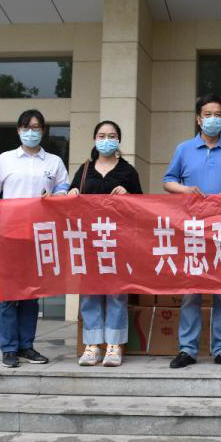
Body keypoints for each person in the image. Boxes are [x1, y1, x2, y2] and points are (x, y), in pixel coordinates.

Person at [0, 109, 69, 369]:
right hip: (8, 235)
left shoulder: (53, 162)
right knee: (8, 294)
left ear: (43, 130)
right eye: (26, 127)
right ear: (18, 130)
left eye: (36, 127)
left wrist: (56, 197)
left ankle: (26, 346)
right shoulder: (5, 159)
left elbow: (63, 190)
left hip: (38, 237)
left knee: (31, 294)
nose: (31, 132)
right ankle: (9, 348)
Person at [163, 94, 221, 369]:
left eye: (218, 114)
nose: (213, 119)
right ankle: (187, 349)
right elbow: (168, 180)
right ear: (198, 119)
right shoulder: (184, 148)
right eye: (208, 114)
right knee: (191, 290)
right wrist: (186, 190)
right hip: (192, 228)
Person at [68, 120, 143, 368]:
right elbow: (71, 195)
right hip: (88, 240)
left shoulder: (128, 171)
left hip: (117, 240)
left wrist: (128, 196)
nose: (106, 140)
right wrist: (72, 194)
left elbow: (142, 206)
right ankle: (92, 345)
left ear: (119, 140)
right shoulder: (85, 170)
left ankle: (114, 344)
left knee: (116, 293)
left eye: (111, 136)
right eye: (101, 135)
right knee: (90, 292)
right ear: (94, 139)